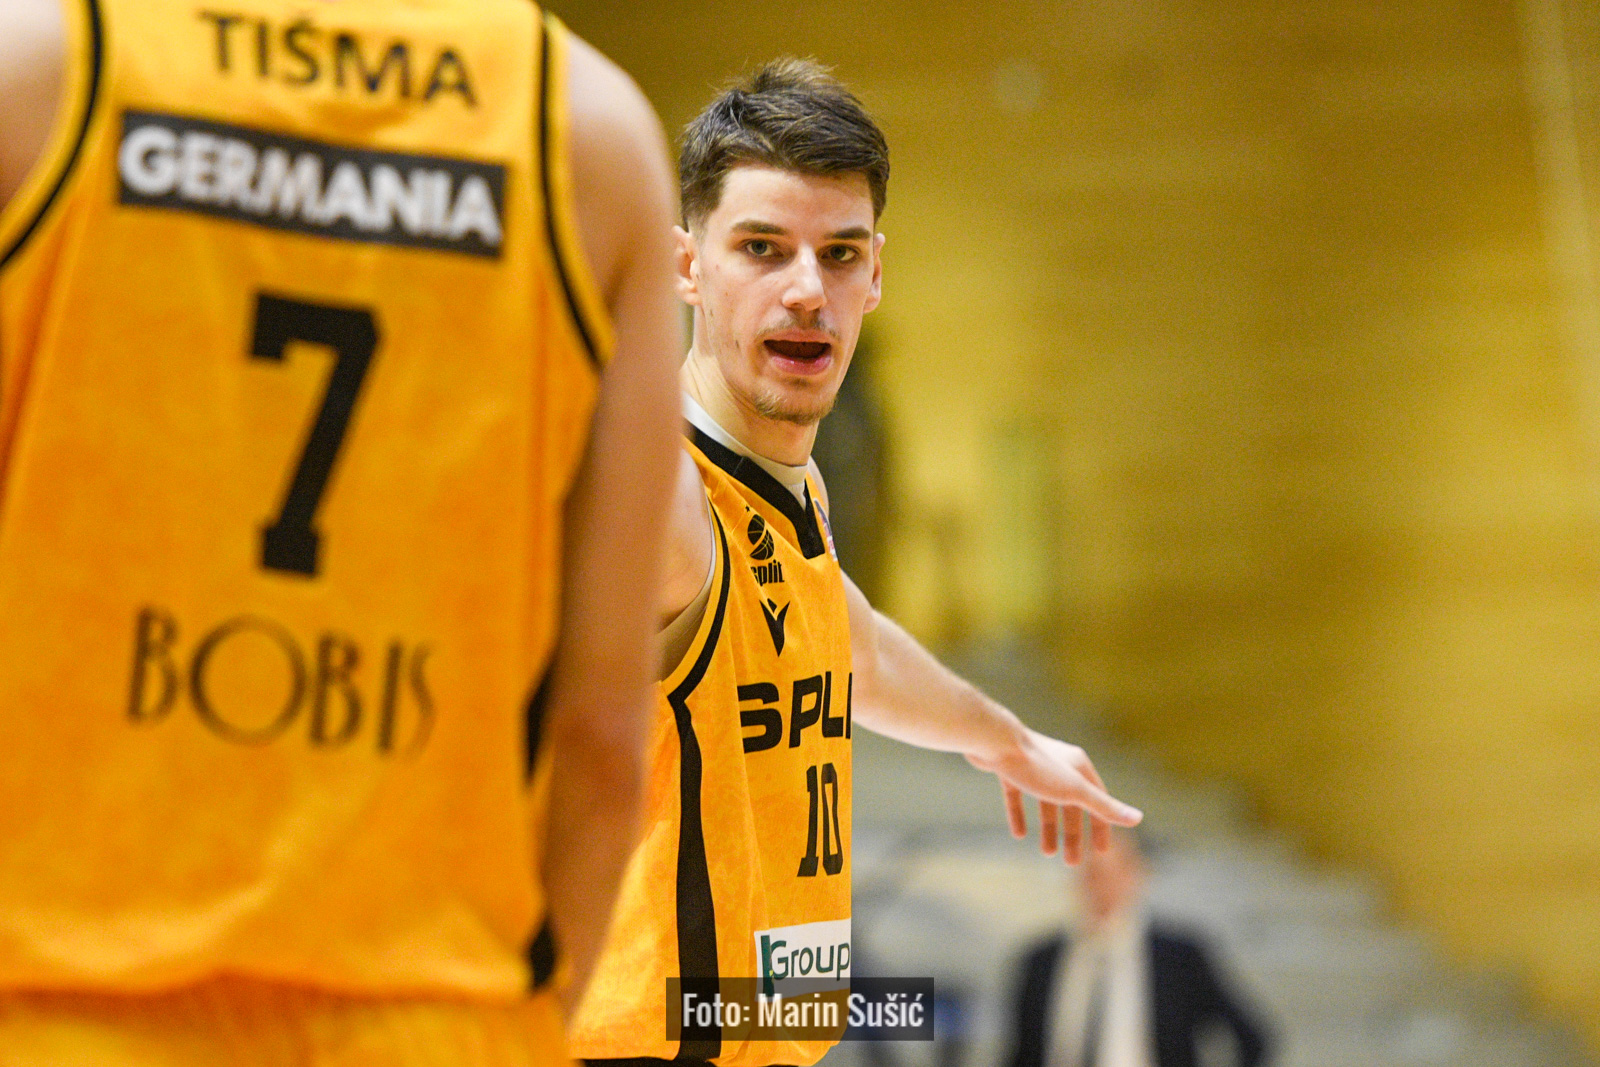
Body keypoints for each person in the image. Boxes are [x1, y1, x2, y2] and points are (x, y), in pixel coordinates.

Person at [0, 0, 680, 1062]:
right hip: (439, 1020)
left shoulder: (37, 69)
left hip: (54, 1006)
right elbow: (600, 744)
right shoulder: (589, 131)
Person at [568, 59, 1145, 1067]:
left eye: (837, 254)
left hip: (760, 1029)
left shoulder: (787, 488)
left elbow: (854, 644)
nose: (807, 289)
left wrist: (1004, 738)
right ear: (687, 264)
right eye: (761, 247)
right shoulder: (664, 494)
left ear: (874, 274)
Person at [1005, 832, 1273, 1067]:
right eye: (1093, 873)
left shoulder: (1180, 956)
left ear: (1138, 874)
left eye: (1115, 873)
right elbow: (1022, 1052)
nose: (1103, 886)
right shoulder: (1040, 959)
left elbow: (1252, 1037)